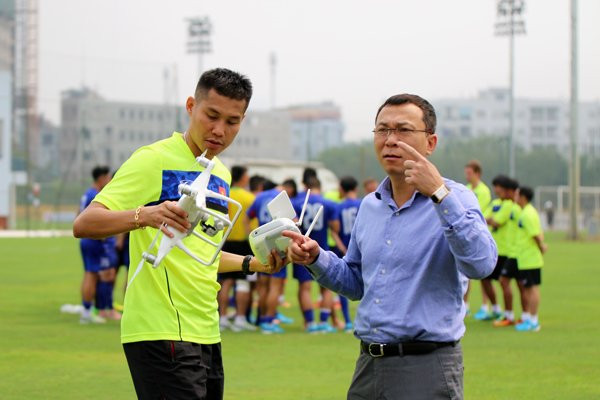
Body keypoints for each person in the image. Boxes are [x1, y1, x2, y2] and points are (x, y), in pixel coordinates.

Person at [73, 68, 285, 400]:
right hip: (160, 330)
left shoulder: (221, 174)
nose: (219, 130)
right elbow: (85, 223)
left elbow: (201, 254)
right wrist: (145, 215)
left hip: (207, 330)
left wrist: (253, 264)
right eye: (211, 115)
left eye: (232, 121)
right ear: (190, 106)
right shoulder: (152, 159)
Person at [284, 93, 496, 399]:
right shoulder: (370, 206)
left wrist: (438, 194)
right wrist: (316, 257)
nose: (390, 140)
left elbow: (482, 264)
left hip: (425, 366)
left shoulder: (456, 198)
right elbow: (356, 283)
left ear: (431, 143)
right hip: (368, 365)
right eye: (382, 130)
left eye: (403, 130)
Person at [293, 176, 340, 333]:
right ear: (320, 187)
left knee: (304, 287)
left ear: (305, 186)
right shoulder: (328, 204)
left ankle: (310, 322)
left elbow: (292, 225)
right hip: (321, 249)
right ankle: (324, 322)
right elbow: (335, 227)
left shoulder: (297, 203)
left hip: (301, 248)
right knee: (326, 288)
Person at [217, 165, 257, 332]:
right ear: (244, 177)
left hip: (225, 240)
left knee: (225, 282)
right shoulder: (250, 197)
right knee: (242, 282)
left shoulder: (224, 193)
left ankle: (223, 318)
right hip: (243, 241)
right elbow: (253, 222)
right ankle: (240, 318)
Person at [78, 165, 113, 324]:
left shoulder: (87, 194)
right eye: (108, 178)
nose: (110, 181)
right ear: (101, 178)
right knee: (91, 274)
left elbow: (78, 215)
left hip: (87, 240)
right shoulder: (95, 196)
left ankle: (87, 309)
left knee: (90, 273)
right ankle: (86, 312)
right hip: (93, 240)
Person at [475, 175, 513, 321]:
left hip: (506, 250)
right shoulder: (495, 203)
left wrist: (490, 220)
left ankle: (509, 314)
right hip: (493, 248)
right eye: (495, 187)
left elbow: (497, 221)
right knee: (485, 278)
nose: (496, 190)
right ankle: (496, 308)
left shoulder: (509, 204)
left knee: (504, 282)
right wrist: (489, 220)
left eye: (499, 187)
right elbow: (483, 218)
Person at [494, 178, 526, 327]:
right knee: (520, 284)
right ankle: (525, 316)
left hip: (515, 252)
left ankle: (510, 315)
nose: (501, 193)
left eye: (504, 191)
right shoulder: (512, 207)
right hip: (513, 252)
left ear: (511, 192)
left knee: (505, 281)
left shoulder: (516, 209)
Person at [331, 176, 361, 332]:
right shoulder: (364, 204)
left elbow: (334, 231)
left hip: (345, 251)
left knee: (344, 284)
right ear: (355, 188)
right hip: (363, 250)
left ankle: (348, 321)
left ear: (342, 189)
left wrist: (343, 248)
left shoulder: (339, 207)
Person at [515, 186, 547, 332]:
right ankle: (529, 319)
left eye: (517, 195)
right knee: (527, 288)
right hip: (525, 258)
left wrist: (541, 247)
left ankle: (534, 321)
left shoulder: (528, 214)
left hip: (530, 259)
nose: (515, 198)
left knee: (532, 289)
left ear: (523, 197)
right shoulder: (526, 212)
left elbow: (536, 235)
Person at [462, 160, 492, 316]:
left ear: (477, 173)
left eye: (469, 173)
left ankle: (485, 306)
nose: (467, 176)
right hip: (467, 233)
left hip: (480, 233)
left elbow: (480, 211)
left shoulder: (484, 190)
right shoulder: (466, 188)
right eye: (466, 173)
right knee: (465, 272)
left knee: (482, 272)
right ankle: (465, 304)